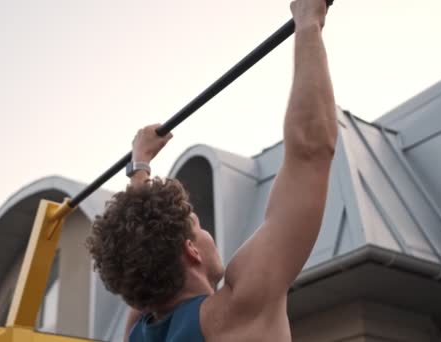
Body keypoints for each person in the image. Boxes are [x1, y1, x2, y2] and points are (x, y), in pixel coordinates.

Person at [85, 0, 336, 340]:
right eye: (198, 227)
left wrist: (139, 165)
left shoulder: (138, 334)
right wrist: (309, 21)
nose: (206, 234)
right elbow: (310, 151)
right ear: (191, 250)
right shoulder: (236, 312)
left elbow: (137, 240)